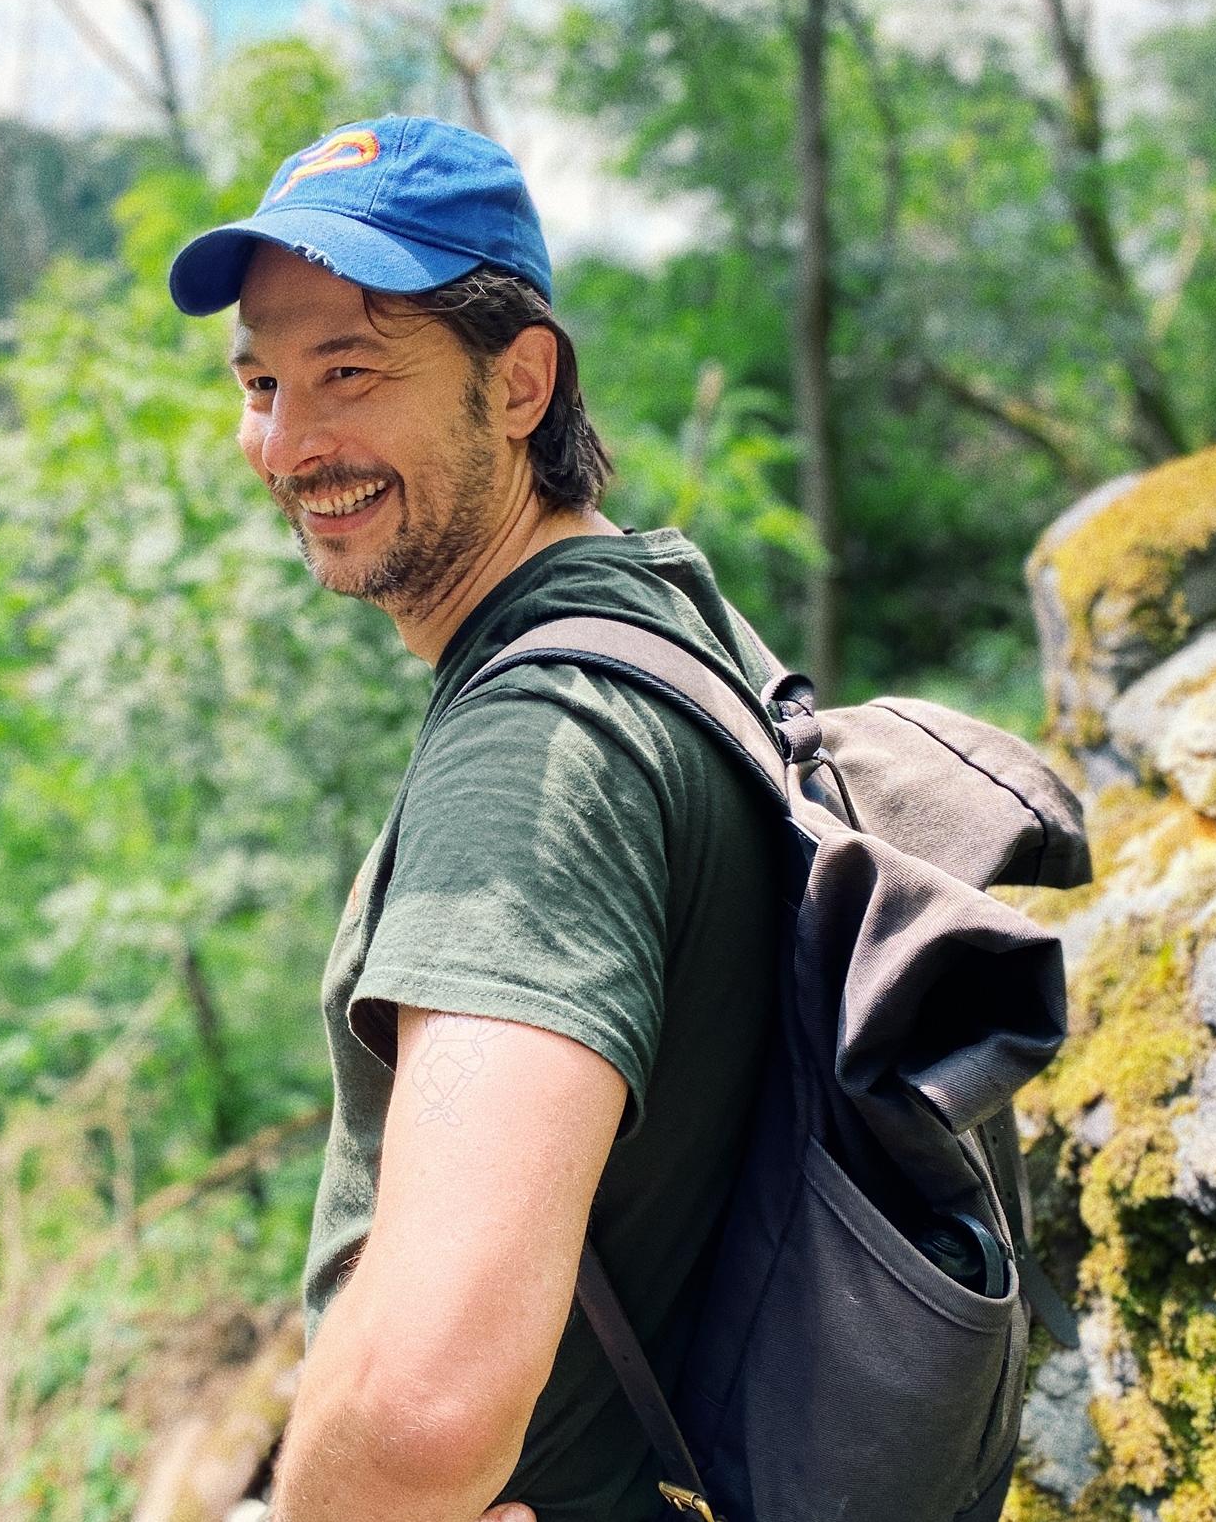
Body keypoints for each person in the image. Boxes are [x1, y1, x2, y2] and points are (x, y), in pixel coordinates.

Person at [166, 116, 785, 1522]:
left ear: (519, 384)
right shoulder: (671, 623)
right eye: (261, 382)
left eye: (350, 371)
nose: (289, 442)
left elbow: (421, 1404)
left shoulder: (537, 750)